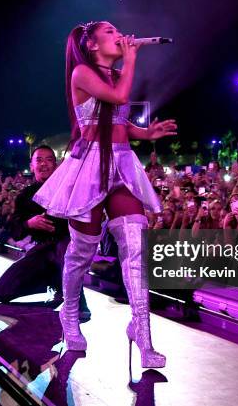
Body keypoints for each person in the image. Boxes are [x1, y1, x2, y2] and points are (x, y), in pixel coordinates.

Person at [32, 21, 177, 368]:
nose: (120, 35)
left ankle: (141, 332)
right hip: (91, 166)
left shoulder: (112, 76)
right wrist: (130, 61)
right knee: (82, 251)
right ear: (93, 45)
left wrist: (145, 132)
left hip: (122, 163)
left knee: (136, 247)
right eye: (110, 32)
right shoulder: (83, 72)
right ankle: (69, 314)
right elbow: (119, 99)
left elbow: (118, 119)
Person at [0, 145, 91, 319]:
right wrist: (29, 223)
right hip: (41, 251)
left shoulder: (69, 189)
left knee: (64, 247)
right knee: (2, 292)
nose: (44, 164)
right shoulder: (25, 195)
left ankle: (77, 302)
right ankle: (53, 284)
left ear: (56, 164)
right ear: (31, 165)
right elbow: (15, 231)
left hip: (66, 249)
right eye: (39, 160)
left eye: (49, 160)